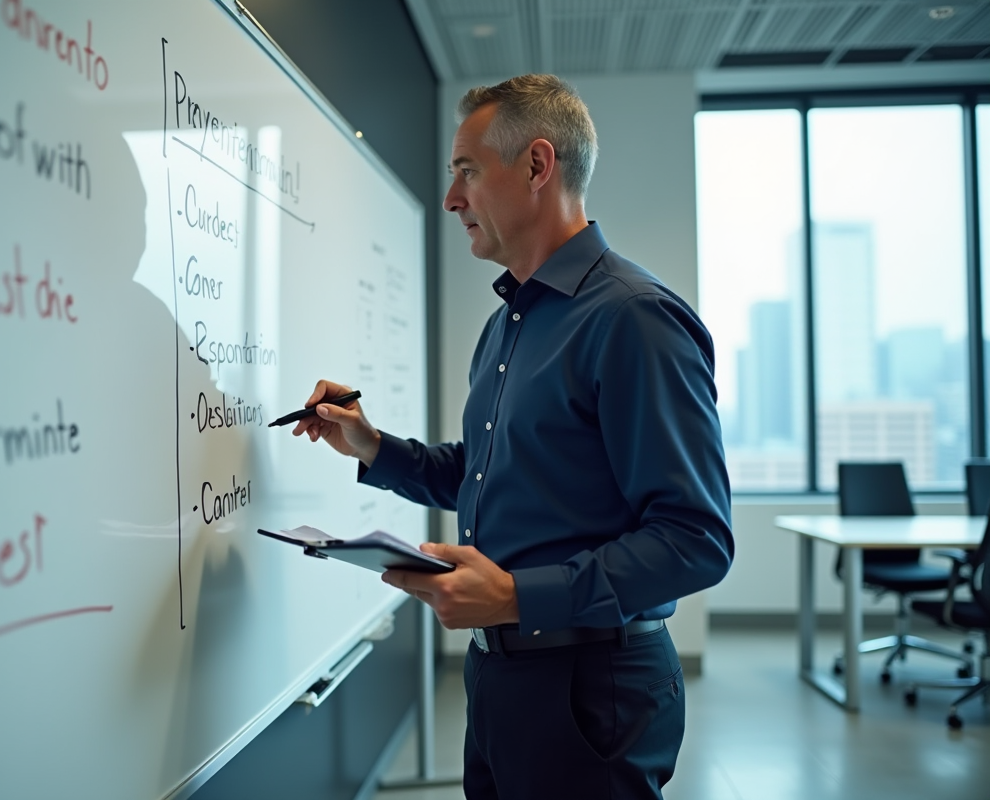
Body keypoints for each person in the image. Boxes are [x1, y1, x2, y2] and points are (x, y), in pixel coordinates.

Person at [289, 74, 733, 800]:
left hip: (590, 690)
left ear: (536, 166)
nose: (451, 198)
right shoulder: (509, 323)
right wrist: (372, 446)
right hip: (501, 676)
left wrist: (520, 595)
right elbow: (493, 472)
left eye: (466, 170)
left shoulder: (634, 319)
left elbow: (696, 539)